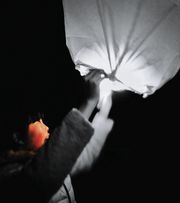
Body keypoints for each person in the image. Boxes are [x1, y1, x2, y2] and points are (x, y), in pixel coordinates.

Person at [0, 70, 114, 203]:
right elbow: (44, 174)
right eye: (37, 121)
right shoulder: (8, 173)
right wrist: (88, 102)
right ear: (17, 137)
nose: (46, 126)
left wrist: (105, 104)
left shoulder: (45, 158)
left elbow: (82, 154)